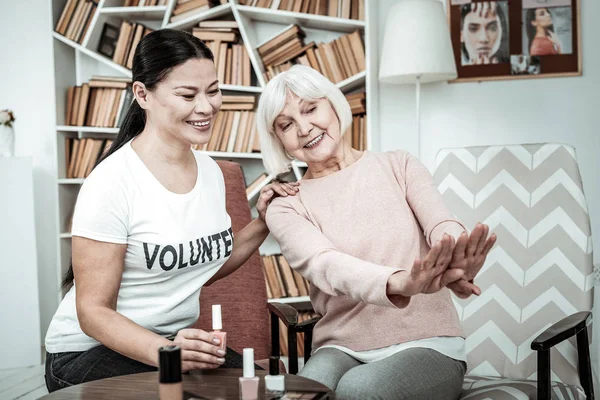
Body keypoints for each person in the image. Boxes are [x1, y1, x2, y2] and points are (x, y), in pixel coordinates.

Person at [44, 29, 299, 393]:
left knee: (261, 391)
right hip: (87, 353)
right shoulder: (111, 184)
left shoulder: (210, 172)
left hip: (168, 343)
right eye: (187, 95)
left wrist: (262, 222)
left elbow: (199, 269)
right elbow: (93, 314)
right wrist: (166, 352)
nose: (206, 106)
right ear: (142, 94)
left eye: (213, 91)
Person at [256, 65, 497, 400]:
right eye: (287, 124)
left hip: (427, 342)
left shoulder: (399, 165)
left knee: (360, 390)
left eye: (311, 109)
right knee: (299, 395)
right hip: (339, 346)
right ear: (278, 140)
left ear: (333, 104)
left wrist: (456, 252)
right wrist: (399, 282)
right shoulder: (286, 206)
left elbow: (440, 222)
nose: (305, 127)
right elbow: (326, 264)